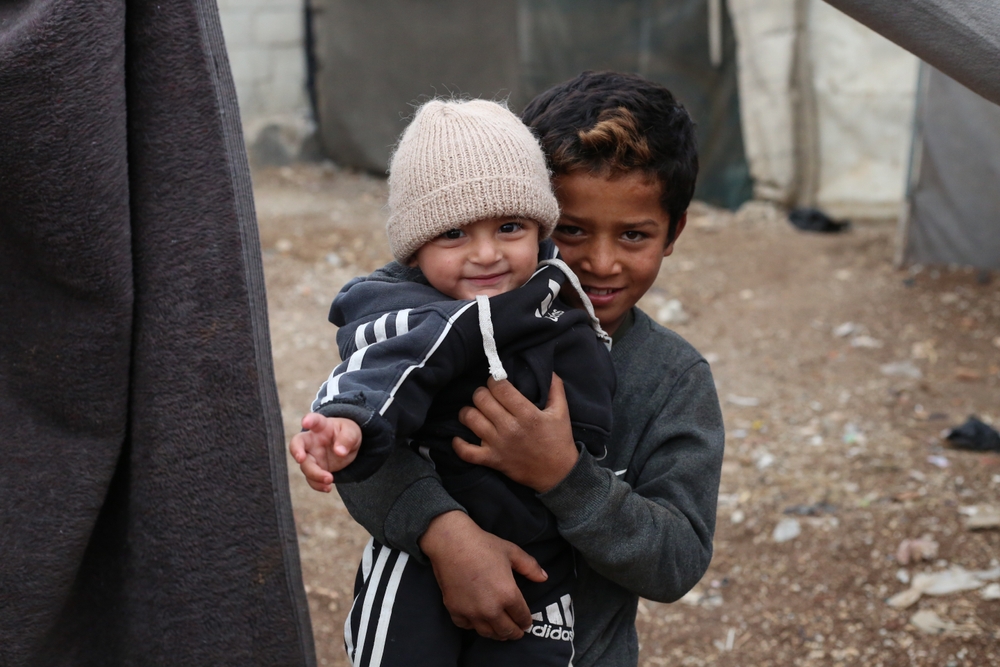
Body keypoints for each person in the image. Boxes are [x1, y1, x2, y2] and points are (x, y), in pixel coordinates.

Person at [302, 71, 725, 666]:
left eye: (634, 235)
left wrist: (562, 474)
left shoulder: (672, 379)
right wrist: (446, 536)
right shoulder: (443, 324)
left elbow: (676, 560)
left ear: (674, 231)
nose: (601, 262)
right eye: (572, 230)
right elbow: (367, 455)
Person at [291, 98, 617, 666]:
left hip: (540, 556)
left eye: (510, 227)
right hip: (420, 559)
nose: (486, 254)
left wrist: (576, 462)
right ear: (415, 249)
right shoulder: (415, 314)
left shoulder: (552, 299)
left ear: (540, 228)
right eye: (454, 233)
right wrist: (347, 422)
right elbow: (380, 369)